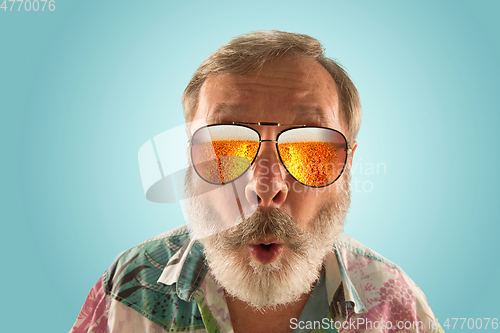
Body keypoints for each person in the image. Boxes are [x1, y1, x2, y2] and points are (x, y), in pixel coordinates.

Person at [70, 30, 444, 333]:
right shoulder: (130, 289)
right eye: (226, 148)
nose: (266, 189)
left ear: (348, 165)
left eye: (310, 149)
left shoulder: (397, 310)